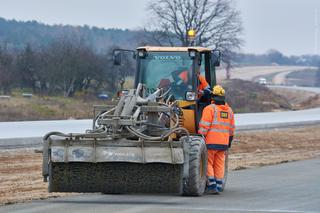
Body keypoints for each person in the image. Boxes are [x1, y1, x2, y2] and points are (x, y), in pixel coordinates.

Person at [198, 85, 235, 193]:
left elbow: (204, 126)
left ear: (213, 97)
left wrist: (201, 136)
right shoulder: (229, 111)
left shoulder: (210, 109)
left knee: (208, 163)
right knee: (219, 163)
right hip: (223, 143)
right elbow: (232, 129)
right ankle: (219, 185)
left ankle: (212, 185)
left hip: (211, 142)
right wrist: (229, 142)